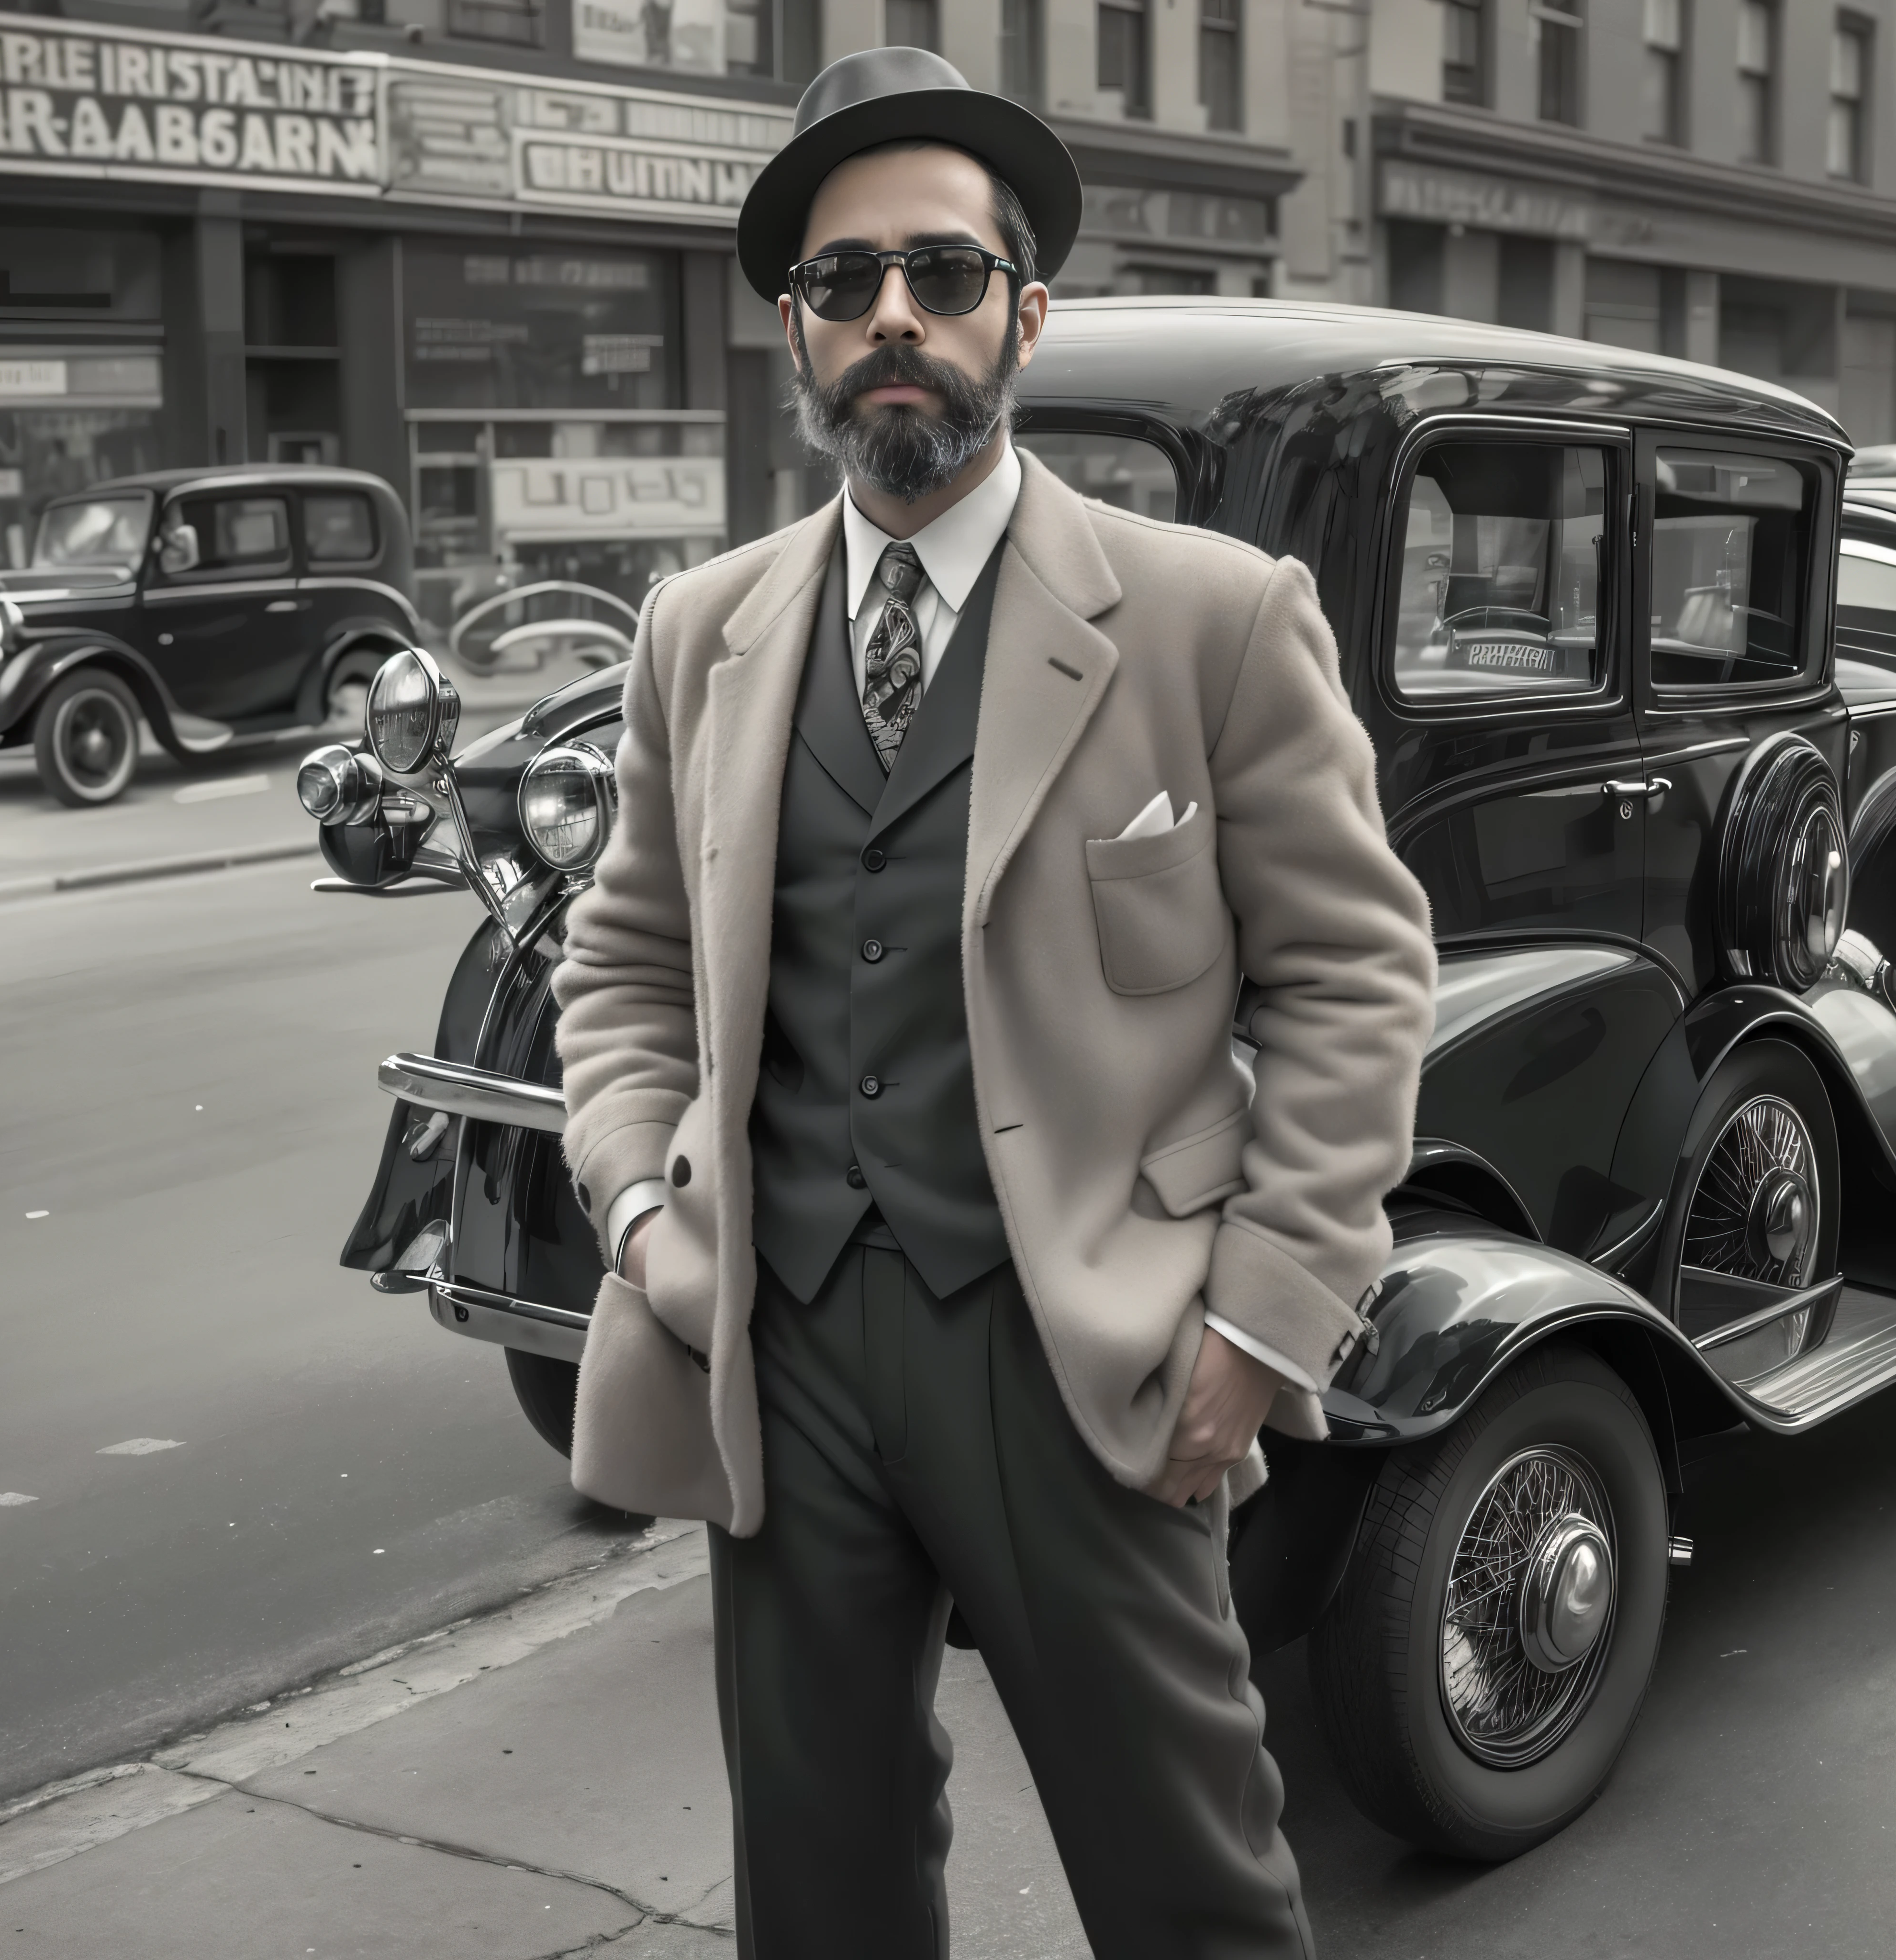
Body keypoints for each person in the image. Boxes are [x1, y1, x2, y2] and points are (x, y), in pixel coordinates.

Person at [552, 46, 1436, 1960]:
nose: (894, 317)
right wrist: (637, 1206)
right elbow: (622, 962)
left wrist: (1267, 1324)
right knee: (823, 1881)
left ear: (1023, 311)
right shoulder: (694, 634)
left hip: (1084, 1355)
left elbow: (1357, 980)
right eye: (842, 282)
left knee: (1187, 1881)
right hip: (774, 1347)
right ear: (793, 334)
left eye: (942, 275)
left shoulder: (1209, 614)